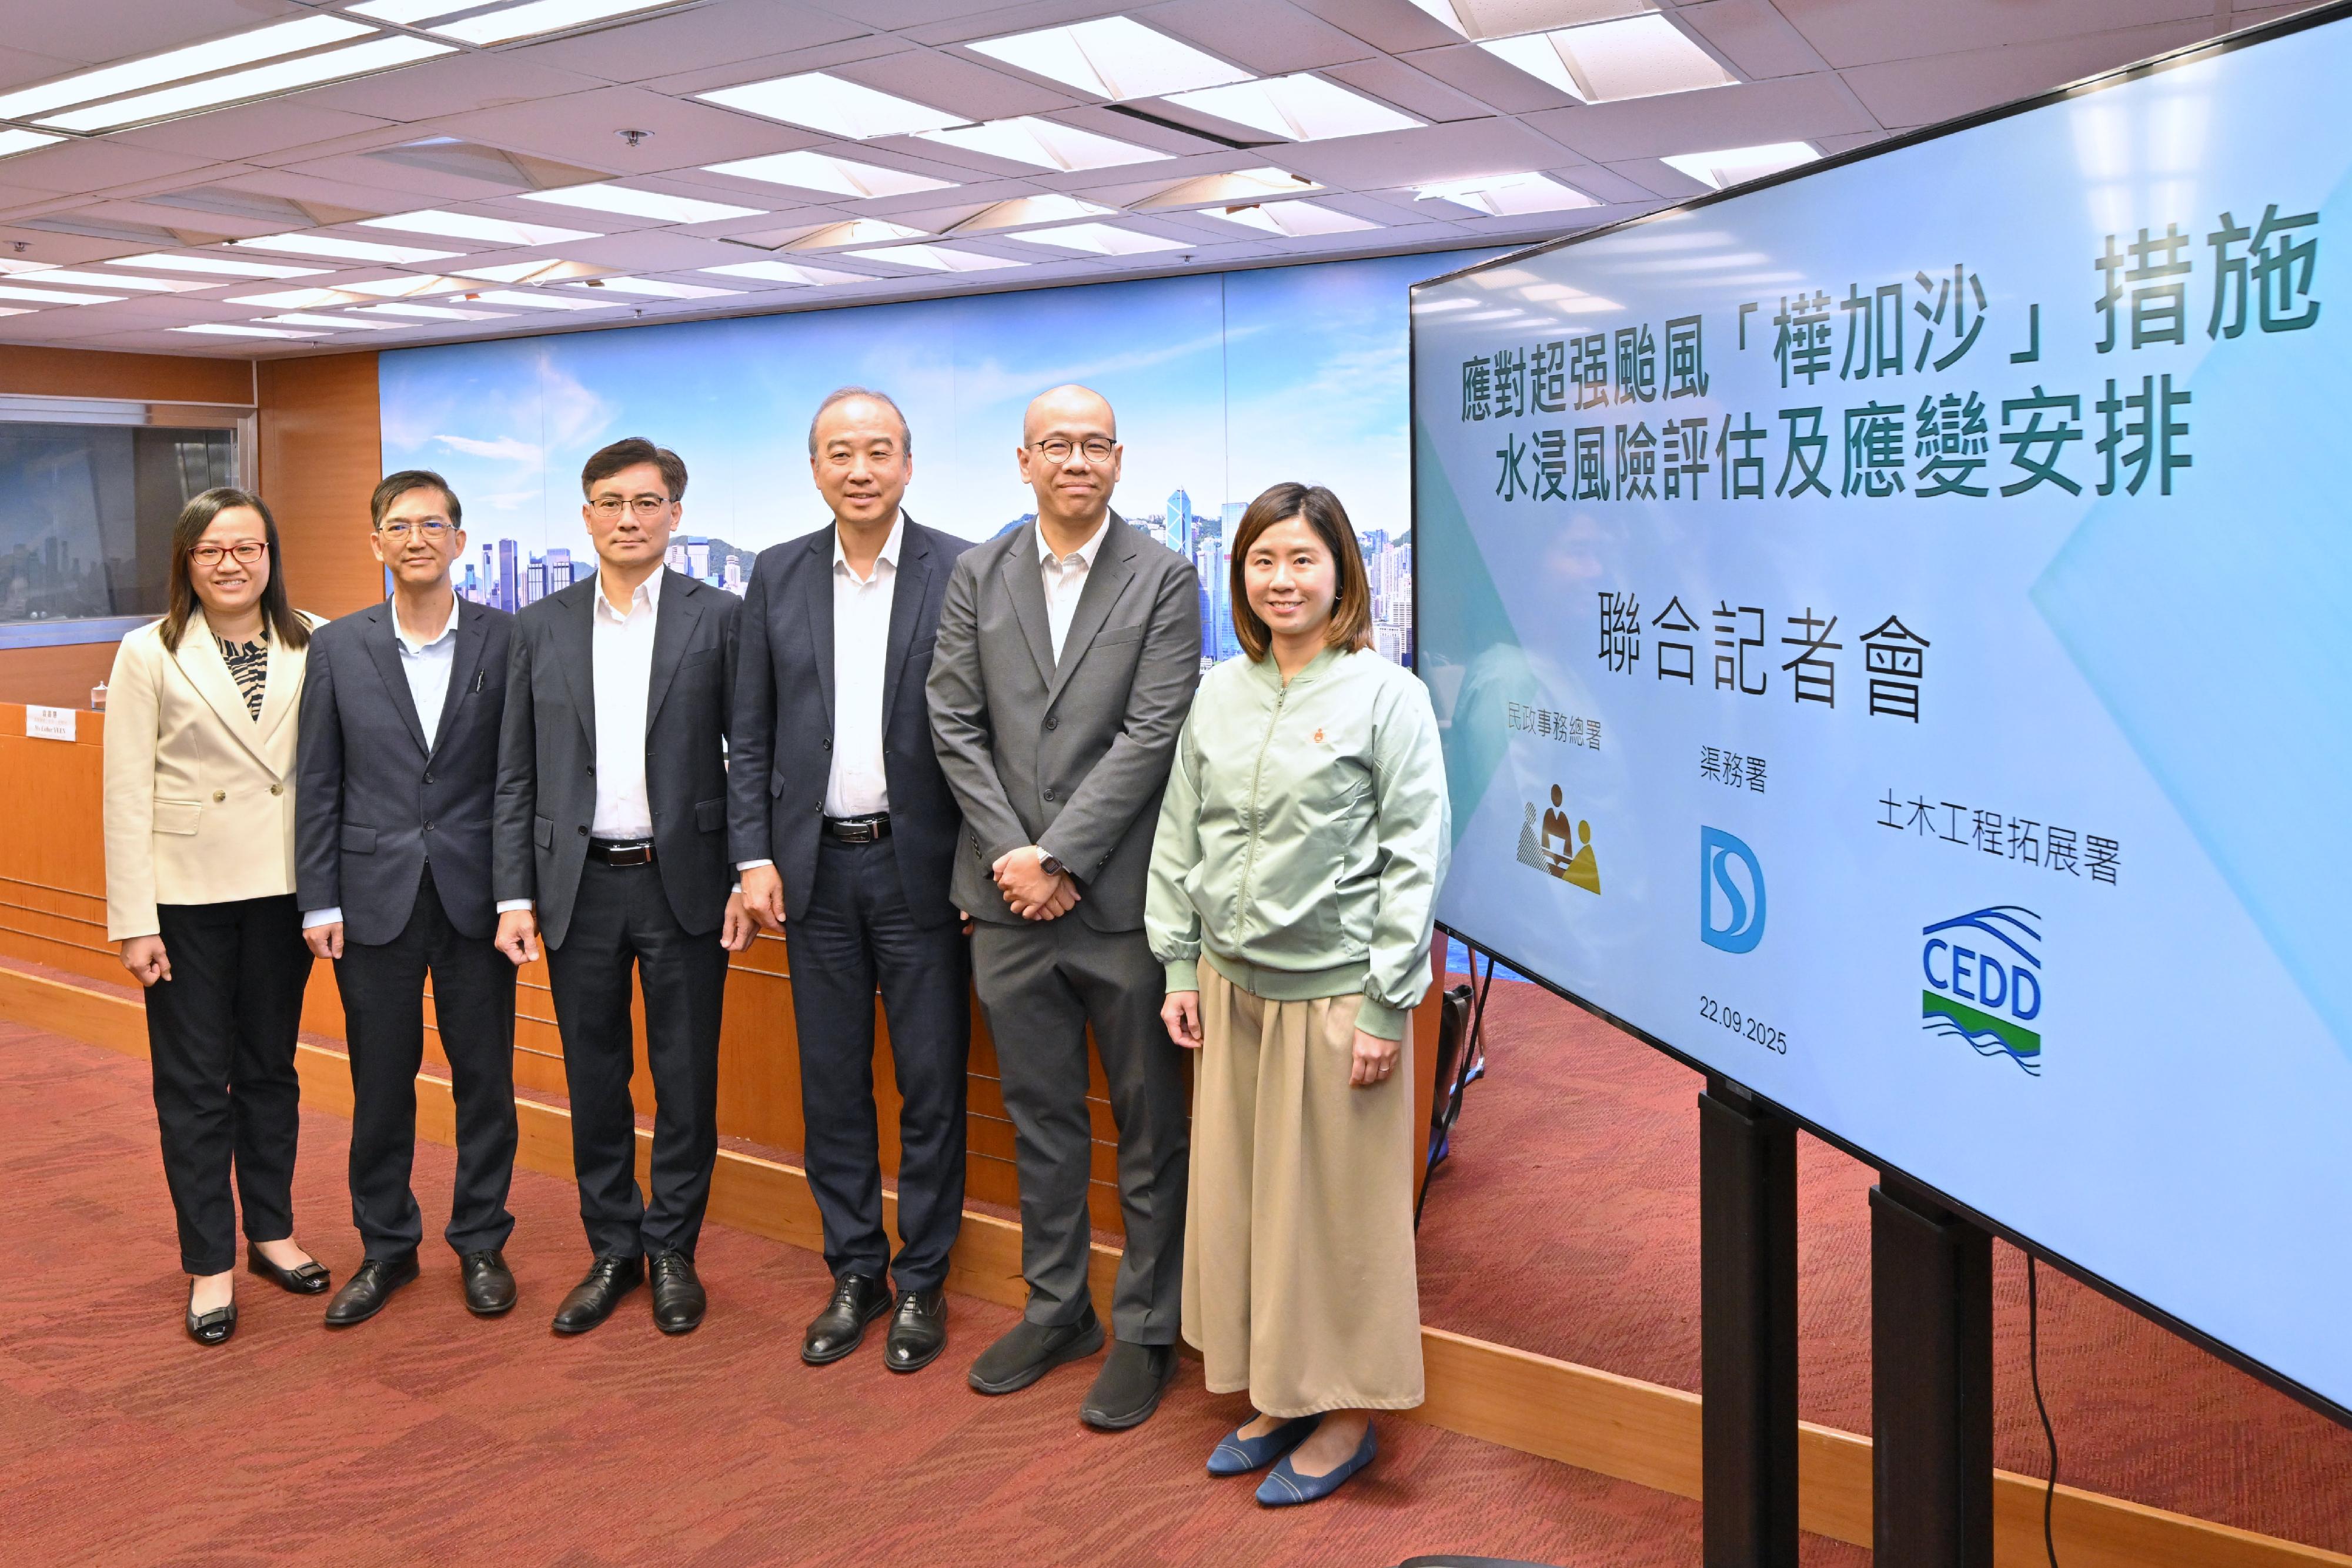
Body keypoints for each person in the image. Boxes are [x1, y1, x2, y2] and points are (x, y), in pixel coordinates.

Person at [1146, 482, 1450, 1507]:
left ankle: (1349, 1417)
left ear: (1342, 574)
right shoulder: (1219, 693)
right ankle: (1280, 1393)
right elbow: (1180, 832)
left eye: (1303, 560)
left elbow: (1415, 861)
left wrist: (1386, 1006)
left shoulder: (1387, 697)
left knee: (1337, 1220)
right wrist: (1179, 963)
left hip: (1337, 999)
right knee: (1250, 1208)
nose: (1282, 580)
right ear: (1240, 575)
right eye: (1263, 560)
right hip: (1231, 991)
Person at [927, 385, 1201, 1429]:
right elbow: (954, 721)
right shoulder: (978, 572)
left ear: (1119, 460)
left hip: (1119, 903)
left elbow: (1154, 731)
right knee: (1038, 1119)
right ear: (1024, 460)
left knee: (1149, 1127)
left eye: (1093, 444)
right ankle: (1057, 1309)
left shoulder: (1163, 576)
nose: (1074, 460)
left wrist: (1062, 856)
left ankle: (1146, 1328)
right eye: (1055, 444)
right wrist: (1016, 857)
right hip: (1006, 904)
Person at [733, 389, 974, 1373]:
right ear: (816, 468)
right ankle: (855, 1268)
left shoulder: (962, 568)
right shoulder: (779, 572)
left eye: (879, 451)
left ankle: (923, 1280)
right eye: (841, 452)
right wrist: (753, 857)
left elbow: (986, 734)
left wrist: (978, 865)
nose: (860, 469)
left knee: (931, 1083)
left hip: (926, 872)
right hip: (815, 873)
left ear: (908, 465)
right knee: (831, 1084)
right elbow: (749, 729)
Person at [493, 437, 754, 1337]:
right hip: (578, 886)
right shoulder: (539, 625)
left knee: (686, 1078)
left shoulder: (721, 618)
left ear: (675, 515)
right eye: (611, 502)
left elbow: (751, 758)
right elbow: (515, 774)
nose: (628, 519)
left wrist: (746, 871)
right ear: (586, 515)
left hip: (687, 884)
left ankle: (674, 1246)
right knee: (594, 1077)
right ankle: (613, 1247)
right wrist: (513, 895)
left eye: (646, 503)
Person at [102, 487, 329, 1345]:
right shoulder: (149, 650)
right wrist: (135, 919)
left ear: (270, 556)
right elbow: (126, 793)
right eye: (212, 550)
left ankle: (271, 1231)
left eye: (248, 548)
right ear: (187, 561)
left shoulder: (316, 639)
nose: (231, 564)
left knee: (270, 1070)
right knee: (195, 1084)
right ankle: (209, 1263)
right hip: (185, 898)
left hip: (284, 891)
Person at [296, 470, 519, 1328]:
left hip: (477, 898)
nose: (417, 539)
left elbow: (519, 778)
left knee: (485, 1081)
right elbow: (319, 780)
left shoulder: (508, 638)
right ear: (376, 543)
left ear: (459, 541)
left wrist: (518, 894)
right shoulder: (338, 646)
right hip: (371, 898)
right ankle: (387, 1245)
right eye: (399, 525)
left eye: (433, 525)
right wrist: (319, 901)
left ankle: (482, 1241)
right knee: (381, 1083)